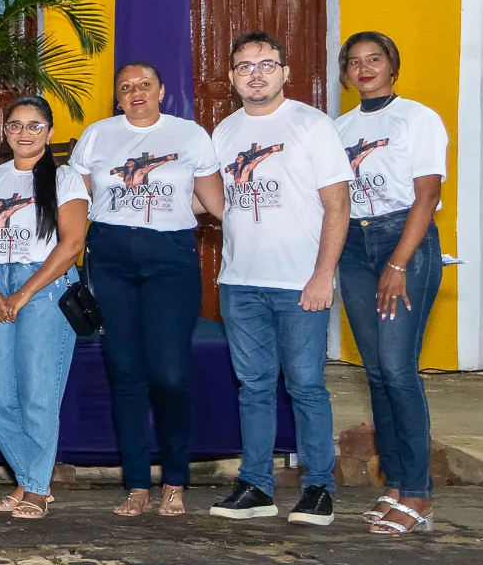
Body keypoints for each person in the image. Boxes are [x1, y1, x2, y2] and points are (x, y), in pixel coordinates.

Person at [68, 62, 223, 518]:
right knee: (125, 370)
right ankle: (136, 483)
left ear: (162, 91)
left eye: (145, 85)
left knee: (170, 374)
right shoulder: (98, 135)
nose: (136, 92)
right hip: (110, 256)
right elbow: (76, 200)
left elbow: (215, 203)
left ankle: (175, 479)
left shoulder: (189, 135)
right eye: (126, 87)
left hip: (169, 258)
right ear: (117, 97)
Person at [209, 31, 351, 525]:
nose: (256, 74)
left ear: (285, 72)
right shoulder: (223, 133)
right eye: (245, 66)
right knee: (253, 387)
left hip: (300, 283)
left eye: (266, 64)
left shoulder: (312, 126)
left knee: (307, 385)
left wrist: (323, 274)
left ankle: (318, 488)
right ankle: (256, 486)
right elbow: (215, 204)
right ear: (232, 77)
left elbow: (338, 206)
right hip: (239, 281)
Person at [335, 31, 448, 536]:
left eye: (374, 59)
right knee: (377, 373)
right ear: (345, 73)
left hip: (404, 239)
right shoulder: (339, 127)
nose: (364, 68)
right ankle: (397, 484)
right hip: (355, 247)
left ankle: (420, 494)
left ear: (392, 66)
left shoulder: (418, 118)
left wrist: (399, 263)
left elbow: (426, 196)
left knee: (401, 370)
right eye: (354, 62)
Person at [0, 97, 89, 521]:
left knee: (38, 393)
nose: (24, 133)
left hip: (47, 285)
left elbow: (71, 245)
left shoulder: (65, 179)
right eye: (16, 125)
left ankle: (34, 488)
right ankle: (31, 476)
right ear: (5, 133)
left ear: (49, 132)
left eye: (35, 126)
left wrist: (24, 293)